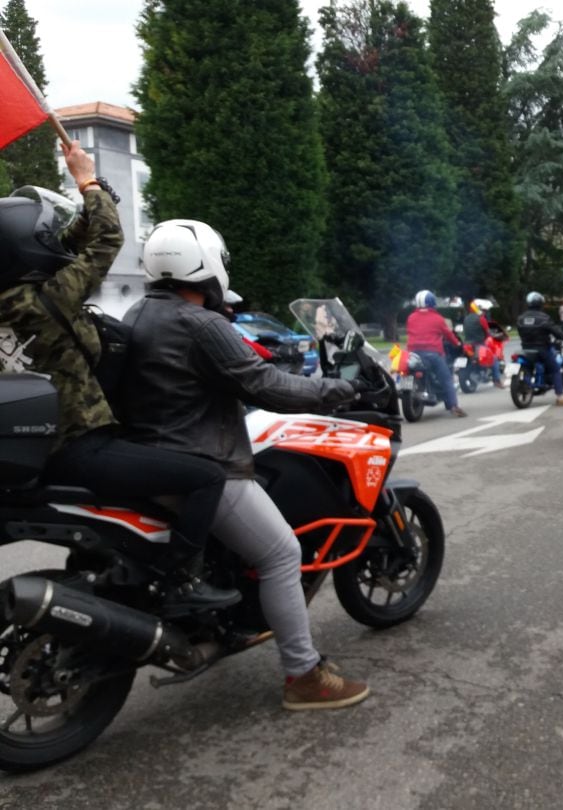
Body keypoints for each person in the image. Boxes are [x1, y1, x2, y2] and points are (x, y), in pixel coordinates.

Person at [121, 219, 372, 711]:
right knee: (281, 554)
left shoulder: (138, 312)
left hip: (148, 457)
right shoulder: (200, 323)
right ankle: (303, 676)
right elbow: (264, 385)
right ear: (206, 266)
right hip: (201, 461)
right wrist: (334, 389)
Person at [0, 142, 234, 615]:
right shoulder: (49, 297)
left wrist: (93, 199)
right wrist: (87, 181)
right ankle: (181, 581)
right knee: (207, 476)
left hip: (38, 453)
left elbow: (66, 246)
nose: (51, 242)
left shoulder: (18, 301)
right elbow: (106, 241)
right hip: (80, 447)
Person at [406, 290, 466, 417]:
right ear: (432, 302)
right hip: (432, 354)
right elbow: (448, 335)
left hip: (413, 353)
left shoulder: (411, 318)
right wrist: (457, 343)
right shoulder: (437, 319)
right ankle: (453, 406)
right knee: (447, 379)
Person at [517, 291, 563, 406]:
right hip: (541, 349)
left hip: (525, 349)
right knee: (556, 369)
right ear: (540, 303)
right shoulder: (544, 318)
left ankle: (528, 384)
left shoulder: (521, 318)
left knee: (527, 367)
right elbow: (555, 330)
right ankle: (560, 397)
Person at [462, 299, 504, 388]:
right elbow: (487, 332)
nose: (484, 311)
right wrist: (495, 335)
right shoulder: (481, 319)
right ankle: (497, 380)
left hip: (467, 344)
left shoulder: (466, 318)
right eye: (482, 309)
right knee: (494, 360)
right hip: (479, 344)